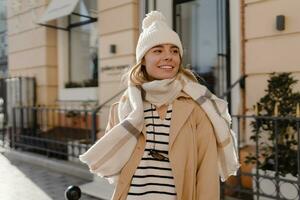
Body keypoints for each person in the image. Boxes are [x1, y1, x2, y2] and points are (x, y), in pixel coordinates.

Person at [80, 11, 239, 200]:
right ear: (143, 60)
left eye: (174, 50)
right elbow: (115, 164)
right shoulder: (124, 108)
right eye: (158, 50)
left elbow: (207, 173)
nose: (168, 56)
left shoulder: (198, 108)